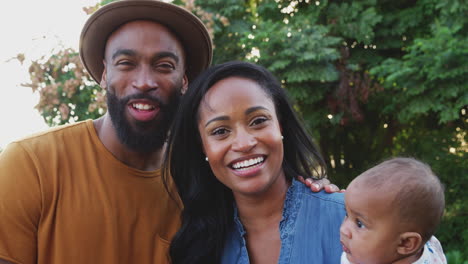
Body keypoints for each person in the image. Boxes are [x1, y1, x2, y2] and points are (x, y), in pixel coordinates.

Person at [0, 1, 335, 263]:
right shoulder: (31, 164)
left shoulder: (202, 186)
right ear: (103, 75)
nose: (144, 81)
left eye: (164, 66)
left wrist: (326, 202)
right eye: (126, 63)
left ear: (184, 82)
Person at [163, 61, 346, 263]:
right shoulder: (194, 241)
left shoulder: (348, 220)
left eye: (258, 121)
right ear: (202, 147)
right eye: (220, 131)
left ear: (280, 125)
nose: (243, 144)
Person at [340, 157, 446, 264]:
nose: (343, 229)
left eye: (360, 224)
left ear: (405, 243)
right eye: (347, 214)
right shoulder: (430, 245)